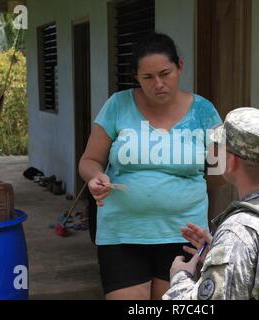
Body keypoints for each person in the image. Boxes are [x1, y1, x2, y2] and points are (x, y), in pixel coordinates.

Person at [79, 33, 222, 300]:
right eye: (148, 77)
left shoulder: (205, 112)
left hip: (184, 233)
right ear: (136, 76)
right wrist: (95, 177)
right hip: (122, 233)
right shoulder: (117, 105)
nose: (158, 84)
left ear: (180, 66)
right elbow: (89, 160)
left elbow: (220, 171)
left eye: (165, 73)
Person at [163, 107, 259, 300]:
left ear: (231, 161)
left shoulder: (238, 234)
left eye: (221, 147)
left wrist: (179, 277)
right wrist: (219, 253)